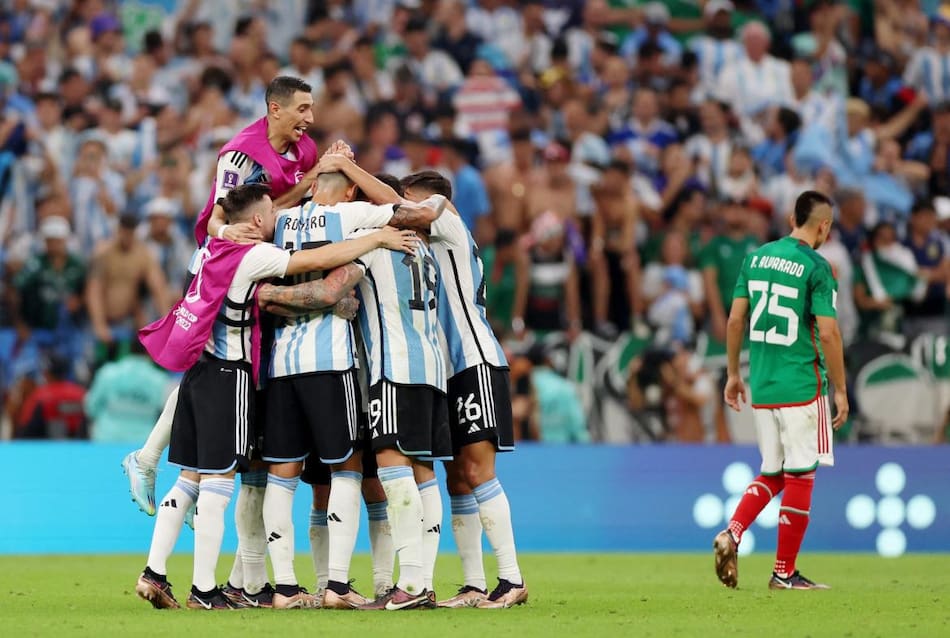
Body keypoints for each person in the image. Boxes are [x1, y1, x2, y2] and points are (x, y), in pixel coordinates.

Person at [134, 184, 419, 611]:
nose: (275, 218)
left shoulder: (212, 247)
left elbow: (230, 242)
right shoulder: (253, 255)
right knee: (219, 484)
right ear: (254, 222)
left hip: (197, 371)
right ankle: (206, 592)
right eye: (269, 213)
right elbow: (313, 261)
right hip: (231, 373)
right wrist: (377, 237)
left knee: (191, 478)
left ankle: (155, 573)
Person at [122, 75, 320, 519]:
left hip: (261, 265)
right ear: (275, 109)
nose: (310, 119)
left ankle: (188, 473)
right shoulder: (240, 154)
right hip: (223, 268)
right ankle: (151, 459)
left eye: (311, 109)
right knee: (205, 369)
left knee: (228, 372)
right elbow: (217, 219)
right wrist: (232, 233)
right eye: (302, 109)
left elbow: (290, 206)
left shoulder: (306, 151)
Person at [250, 163, 446, 610]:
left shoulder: (279, 219)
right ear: (354, 190)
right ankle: (338, 585)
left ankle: (283, 587)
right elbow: (409, 215)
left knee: (282, 474)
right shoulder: (352, 214)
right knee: (349, 470)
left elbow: (253, 219)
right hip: (333, 361)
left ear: (313, 185)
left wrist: (267, 296)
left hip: (281, 362)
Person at [714, 190, 848, 591]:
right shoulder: (817, 266)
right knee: (801, 474)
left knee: (772, 471)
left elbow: (735, 320)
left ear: (793, 216)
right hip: (802, 384)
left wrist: (733, 373)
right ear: (823, 225)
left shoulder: (754, 258)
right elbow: (828, 331)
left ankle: (733, 533)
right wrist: (840, 390)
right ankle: (784, 573)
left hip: (764, 384)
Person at [85, 340, 173, 443]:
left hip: (105, 439)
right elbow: (167, 416)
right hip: (143, 443)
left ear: (127, 349)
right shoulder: (160, 379)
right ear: (150, 352)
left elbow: (91, 407)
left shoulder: (108, 372)